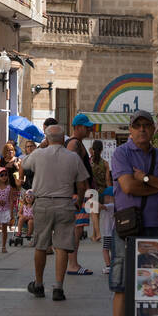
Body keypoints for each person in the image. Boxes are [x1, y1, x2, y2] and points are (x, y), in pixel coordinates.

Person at [109, 111, 158, 316]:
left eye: (147, 125)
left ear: (153, 129)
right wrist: (154, 185)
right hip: (128, 227)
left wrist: (144, 178)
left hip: (156, 225)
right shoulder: (121, 153)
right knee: (122, 285)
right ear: (131, 129)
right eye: (138, 126)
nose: (143, 130)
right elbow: (127, 186)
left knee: (154, 283)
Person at [26, 124, 89, 301]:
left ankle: (38, 284)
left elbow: (25, 164)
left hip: (43, 203)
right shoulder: (73, 157)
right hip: (65, 203)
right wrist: (79, 201)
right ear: (63, 139)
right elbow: (82, 184)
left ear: (47, 139)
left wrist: (41, 146)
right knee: (62, 246)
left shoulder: (38, 154)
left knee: (40, 244)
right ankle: (58, 287)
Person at [65, 112, 95, 276]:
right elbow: (71, 168)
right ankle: (73, 264)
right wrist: (76, 192)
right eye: (87, 127)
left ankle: (73, 263)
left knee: (78, 230)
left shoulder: (77, 143)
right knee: (76, 230)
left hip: (78, 193)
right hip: (76, 195)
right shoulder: (74, 144)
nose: (89, 130)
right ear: (78, 127)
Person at [0, 165, 18, 252]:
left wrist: (11, 212)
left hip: (6, 209)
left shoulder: (9, 187)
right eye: (1, 175)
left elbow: (10, 200)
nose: (4, 177)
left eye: (5, 175)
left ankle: (3, 246)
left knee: (4, 228)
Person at [90, 140, 110, 245]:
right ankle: (94, 235)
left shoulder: (89, 163)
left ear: (93, 149)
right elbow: (107, 180)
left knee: (94, 212)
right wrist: (110, 191)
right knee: (96, 214)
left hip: (92, 191)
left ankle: (98, 234)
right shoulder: (105, 163)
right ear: (102, 150)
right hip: (103, 191)